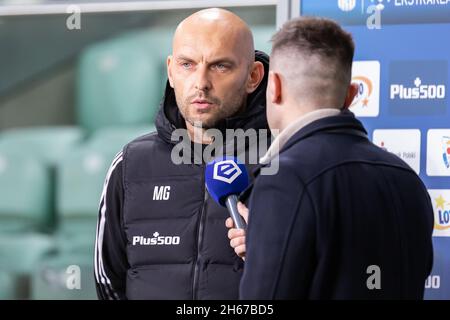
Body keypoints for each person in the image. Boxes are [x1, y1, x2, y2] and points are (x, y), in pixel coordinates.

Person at [228, 17, 434, 299]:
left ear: (273, 87)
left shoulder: (284, 179)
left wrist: (268, 249)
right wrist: (266, 244)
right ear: (350, 96)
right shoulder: (407, 178)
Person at [94, 8, 269, 299]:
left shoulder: (285, 163)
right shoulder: (130, 165)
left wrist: (272, 256)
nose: (201, 82)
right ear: (171, 71)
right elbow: (108, 282)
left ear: (253, 76)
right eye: (187, 64)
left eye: (220, 66)